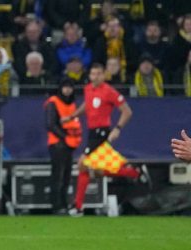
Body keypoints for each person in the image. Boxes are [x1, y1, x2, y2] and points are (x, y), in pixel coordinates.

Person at [64, 63, 148, 216]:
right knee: (97, 170)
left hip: (102, 133)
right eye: (92, 74)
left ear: (104, 75)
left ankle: (78, 207)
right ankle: (135, 173)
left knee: (82, 164)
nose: (95, 77)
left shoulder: (109, 91)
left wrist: (117, 128)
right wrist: (73, 116)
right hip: (92, 133)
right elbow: (87, 105)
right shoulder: (88, 88)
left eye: (98, 74)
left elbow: (127, 111)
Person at [44, 79, 81, 214]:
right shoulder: (53, 102)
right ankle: (56, 205)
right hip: (58, 144)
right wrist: (65, 137)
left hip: (68, 144)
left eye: (70, 87)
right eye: (65, 87)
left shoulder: (71, 104)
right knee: (58, 175)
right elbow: (50, 124)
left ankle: (64, 204)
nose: (67, 90)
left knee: (66, 176)